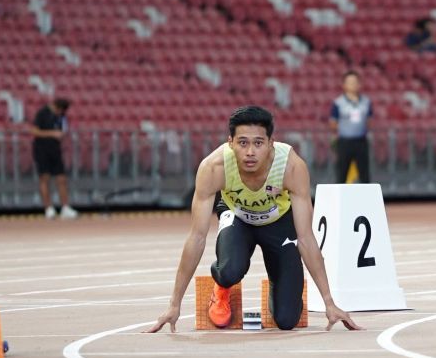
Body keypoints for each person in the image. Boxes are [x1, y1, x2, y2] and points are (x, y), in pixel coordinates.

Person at [146, 105, 361, 333]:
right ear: (230, 142)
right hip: (237, 217)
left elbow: (306, 238)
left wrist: (329, 302)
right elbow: (197, 237)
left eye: (258, 143)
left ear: (271, 143)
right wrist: (174, 304)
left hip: (278, 221)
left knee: (287, 320)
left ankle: (279, 285)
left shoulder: (291, 167)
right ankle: (222, 286)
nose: (250, 152)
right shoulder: (213, 168)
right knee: (230, 270)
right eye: (243, 143)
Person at [31, 98, 78, 219]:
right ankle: (48, 208)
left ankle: (65, 207)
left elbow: (63, 129)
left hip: (55, 150)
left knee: (61, 179)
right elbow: (34, 131)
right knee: (45, 178)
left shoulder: (61, 116)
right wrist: (52, 133)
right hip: (42, 150)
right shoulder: (42, 113)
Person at [330, 70, 372, 184]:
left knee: (364, 174)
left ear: (359, 84)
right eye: (350, 82)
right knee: (342, 173)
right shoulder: (338, 103)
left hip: (361, 141)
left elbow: (369, 120)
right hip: (344, 142)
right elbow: (333, 122)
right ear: (344, 85)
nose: (353, 85)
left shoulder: (366, 102)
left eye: (355, 82)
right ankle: (340, 195)